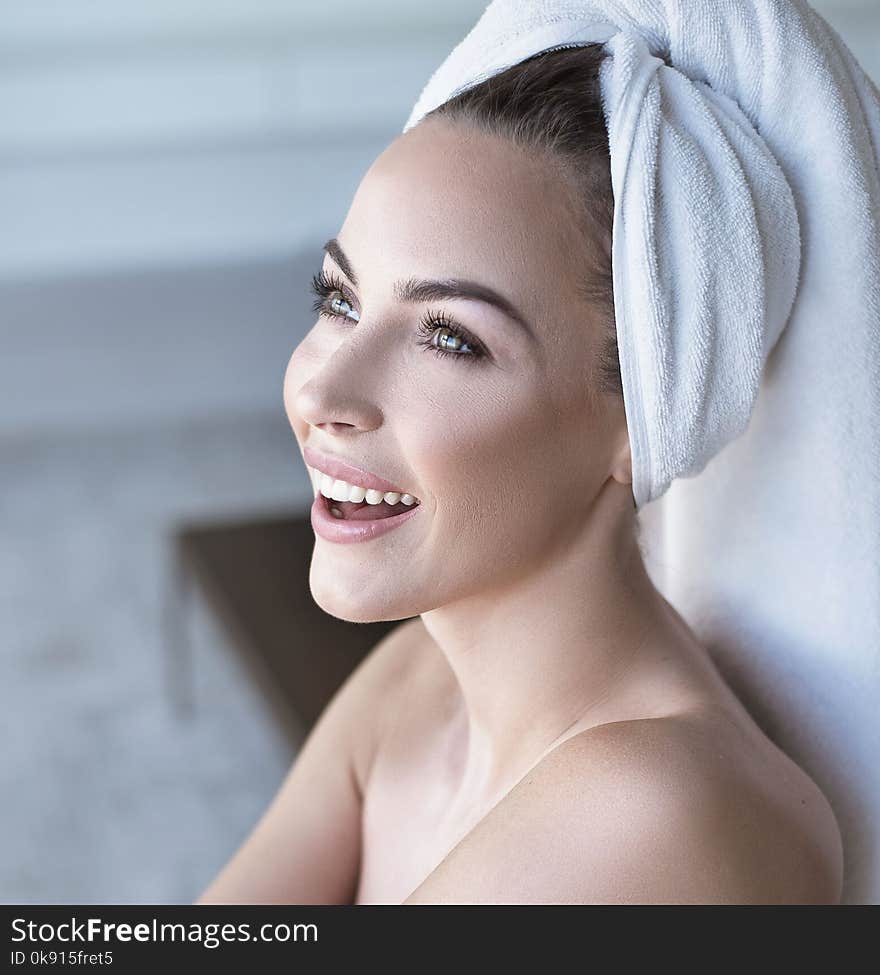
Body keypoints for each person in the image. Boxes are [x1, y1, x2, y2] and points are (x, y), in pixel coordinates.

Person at [195, 45, 843, 905]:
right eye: (340, 300)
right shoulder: (414, 681)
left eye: (451, 338)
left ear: (638, 423)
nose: (321, 388)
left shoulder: (658, 807)